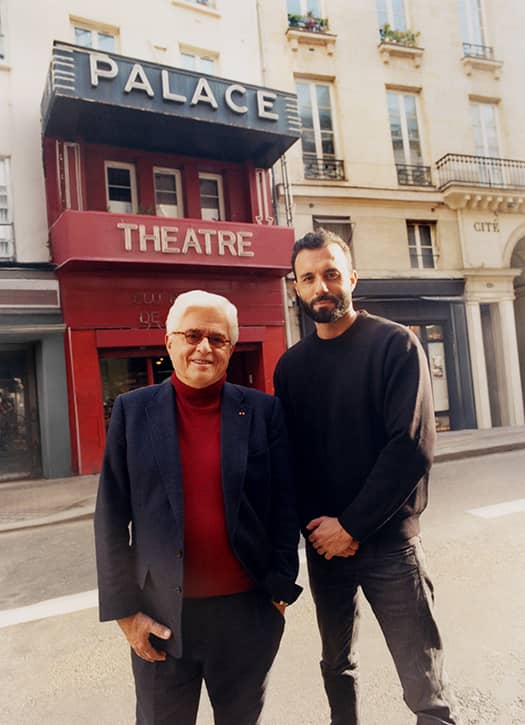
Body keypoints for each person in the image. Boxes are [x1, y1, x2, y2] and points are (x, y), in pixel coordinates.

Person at [273, 230, 461, 725]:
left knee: (424, 685)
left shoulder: (395, 344)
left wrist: (351, 526)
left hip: (390, 547)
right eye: (308, 278)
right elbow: (292, 460)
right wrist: (319, 533)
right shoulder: (290, 368)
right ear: (296, 287)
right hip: (325, 548)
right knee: (337, 666)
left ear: (352, 279)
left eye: (331, 274)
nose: (321, 287)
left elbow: (410, 447)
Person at [95, 289, 301, 725]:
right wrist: (126, 614)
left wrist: (280, 593)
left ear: (231, 347)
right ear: (170, 343)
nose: (204, 347)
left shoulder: (263, 412)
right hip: (161, 619)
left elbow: (284, 507)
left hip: (246, 615)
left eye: (217, 338)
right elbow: (111, 518)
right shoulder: (133, 412)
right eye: (192, 335)